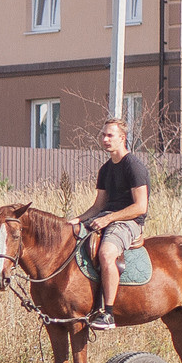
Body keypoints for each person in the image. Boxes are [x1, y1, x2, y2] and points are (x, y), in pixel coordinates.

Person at [77, 117, 149, 330]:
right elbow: (98, 206)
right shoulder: (106, 169)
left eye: (110, 135)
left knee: (107, 253)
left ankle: (107, 313)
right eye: (103, 135)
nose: (105, 139)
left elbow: (140, 207)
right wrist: (75, 221)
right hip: (106, 216)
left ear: (122, 138)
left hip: (129, 221)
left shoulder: (133, 166)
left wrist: (108, 218)